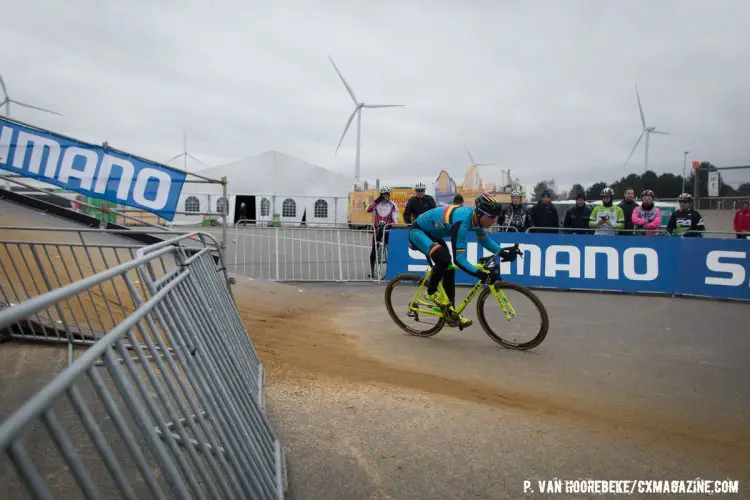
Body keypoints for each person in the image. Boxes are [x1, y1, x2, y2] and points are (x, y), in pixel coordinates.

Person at [408, 193, 512, 328]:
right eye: (492, 217)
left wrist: (503, 253)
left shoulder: (476, 219)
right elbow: (460, 260)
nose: (494, 221)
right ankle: (431, 293)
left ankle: (450, 313)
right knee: (444, 260)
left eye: (496, 217)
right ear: (481, 214)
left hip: (433, 234)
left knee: (449, 269)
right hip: (418, 232)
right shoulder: (462, 223)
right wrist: (481, 275)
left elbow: (484, 240)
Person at [367, 186, 400, 277]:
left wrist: (393, 225)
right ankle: (372, 270)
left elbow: (395, 218)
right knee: (374, 249)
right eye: (383, 195)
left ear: (389, 195)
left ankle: (392, 270)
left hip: (387, 229)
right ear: (381, 195)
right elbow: (368, 210)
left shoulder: (392, 205)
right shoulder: (377, 204)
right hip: (377, 229)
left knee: (390, 249)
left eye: (387, 195)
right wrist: (376, 201)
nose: (385, 197)